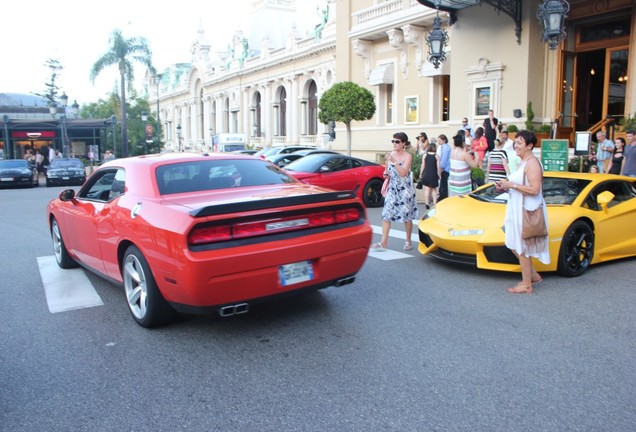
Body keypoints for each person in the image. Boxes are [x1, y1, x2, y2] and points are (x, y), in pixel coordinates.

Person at [496, 130, 550, 294]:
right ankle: (532, 275)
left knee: (522, 246)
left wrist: (511, 185)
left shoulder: (532, 163)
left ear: (530, 146)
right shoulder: (522, 162)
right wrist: (505, 186)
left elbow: (534, 189)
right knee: (513, 241)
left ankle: (527, 284)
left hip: (526, 211)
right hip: (517, 208)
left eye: (519, 143)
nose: (516, 145)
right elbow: (519, 186)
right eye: (515, 142)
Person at [372, 132, 419, 252]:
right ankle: (383, 242)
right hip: (392, 189)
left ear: (403, 143)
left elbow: (403, 173)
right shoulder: (390, 155)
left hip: (404, 190)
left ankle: (408, 240)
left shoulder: (407, 156)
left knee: (406, 216)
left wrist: (393, 161)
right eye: (393, 141)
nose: (394, 143)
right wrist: (386, 174)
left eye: (397, 141)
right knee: (386, 215)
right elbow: (386, 170)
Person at [449, 132, 479, 197]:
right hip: (462, 184)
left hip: (453, 182)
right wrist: (477, 156)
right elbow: (475, 166)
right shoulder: (465, 154)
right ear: (463, 143)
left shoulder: (452, 152)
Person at [420, 142, 439, 209]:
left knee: (427, 190)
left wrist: (421, 173)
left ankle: (427, 203)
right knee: (434, 189)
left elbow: (423, 165)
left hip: (426, 173)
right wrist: (439, 174)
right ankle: (434, 203)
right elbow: (438, 167)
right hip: (433, 174)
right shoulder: (436, 156)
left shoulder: (425, 155)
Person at [436, 134, 451, 201]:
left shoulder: (444, 148)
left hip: (445, 168)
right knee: (443, 182)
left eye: (440, 140)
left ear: (444, 140)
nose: (438, 142)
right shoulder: (445, 147)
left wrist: (441, 167)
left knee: (443, 183)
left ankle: (443, 196)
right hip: (446, 168)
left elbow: (444, 158)